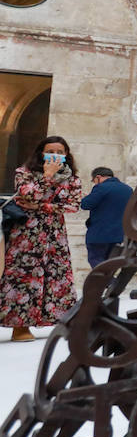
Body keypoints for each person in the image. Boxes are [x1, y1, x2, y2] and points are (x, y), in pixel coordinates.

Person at [1, 136, 82, 342]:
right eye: (50, 151)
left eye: (60, 152)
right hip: (26, 235)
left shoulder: (72, 179)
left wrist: (41, 206)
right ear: (40, 153)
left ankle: (61, 321)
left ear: (66, 154)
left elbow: (72, 205)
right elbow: (27, 196)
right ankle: (20, 327)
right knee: (23, 278)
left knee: (57, 277)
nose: (55, 156)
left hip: (55, 236)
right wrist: (47, 176)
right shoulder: (24, 173)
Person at [80, 166, 132, 268]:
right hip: (119, 235)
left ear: (98, 177)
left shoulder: (101, 187)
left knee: (97, 263)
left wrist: (86, 197)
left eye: (94, 181)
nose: (94, 183)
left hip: (99, 235)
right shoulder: (128, 189)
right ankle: (110, 282)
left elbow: (85, 204)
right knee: (110, 265)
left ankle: (109, 283)